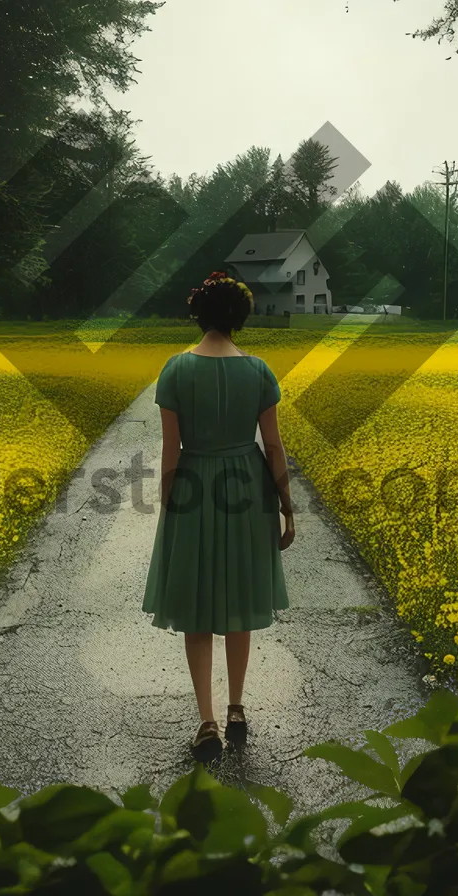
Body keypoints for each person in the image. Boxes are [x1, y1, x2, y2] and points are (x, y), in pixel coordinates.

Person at [142, 270, 296, 762]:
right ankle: (236, 709)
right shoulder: (259, 371)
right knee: (238, 598)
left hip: (193, 486)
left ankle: (205, 720)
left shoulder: (175, 370)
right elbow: (272, 445)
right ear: (241, 319)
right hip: (248, 489)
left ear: (199, 314)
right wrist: (288, 507)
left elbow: (171, 450)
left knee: (196, 607)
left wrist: (170, 505)